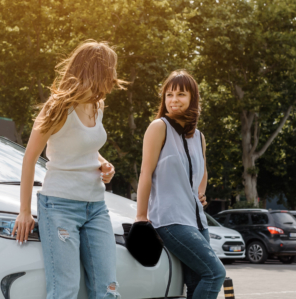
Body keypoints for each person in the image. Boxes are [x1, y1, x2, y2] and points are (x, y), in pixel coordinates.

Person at [13, 40, 125, 298]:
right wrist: (24, 211)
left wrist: (103, 163)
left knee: (108, 290)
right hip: (60, 206)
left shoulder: (98, 105)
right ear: (97, 71)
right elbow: (30, 158)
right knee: (65, 291)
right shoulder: (57, 107)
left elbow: (84, 146)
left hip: (96, 207)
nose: (114, 76)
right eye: (111, 69)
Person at [134, 70, 226, 299]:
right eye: (169, 94)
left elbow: (203, 170)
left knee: (196, 284)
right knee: (215, 274)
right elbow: (145, 173)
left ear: (193, 98)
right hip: (170, 220)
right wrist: (141, 216)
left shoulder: (199, 136)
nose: (174, 100)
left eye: (181, 94)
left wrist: (200, 194)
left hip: (198, 222)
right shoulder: (159, 127)